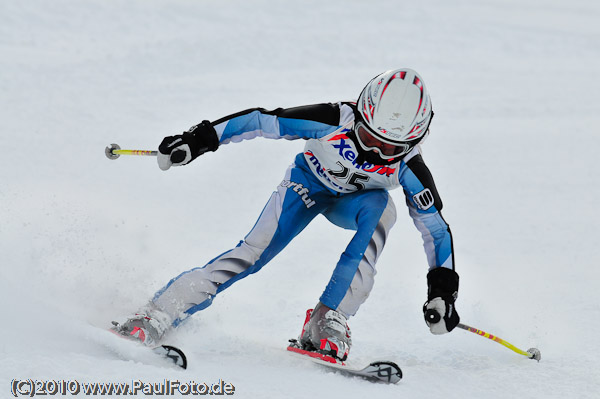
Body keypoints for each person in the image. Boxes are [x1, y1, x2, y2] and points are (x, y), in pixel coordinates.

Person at [112, 68, 460, 361]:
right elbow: (263, 120)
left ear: (416, 141)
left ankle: (327, 319)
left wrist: (442, 293)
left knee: (383, 210)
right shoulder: (334, 119)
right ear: (361, 115)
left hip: (355, 204)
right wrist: (199, 140)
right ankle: (159, 312)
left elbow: (436, 231)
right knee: (252, 254)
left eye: (391, 148)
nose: (376, 151)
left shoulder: (411, 169)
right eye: (369, 137)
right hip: (306, 187)